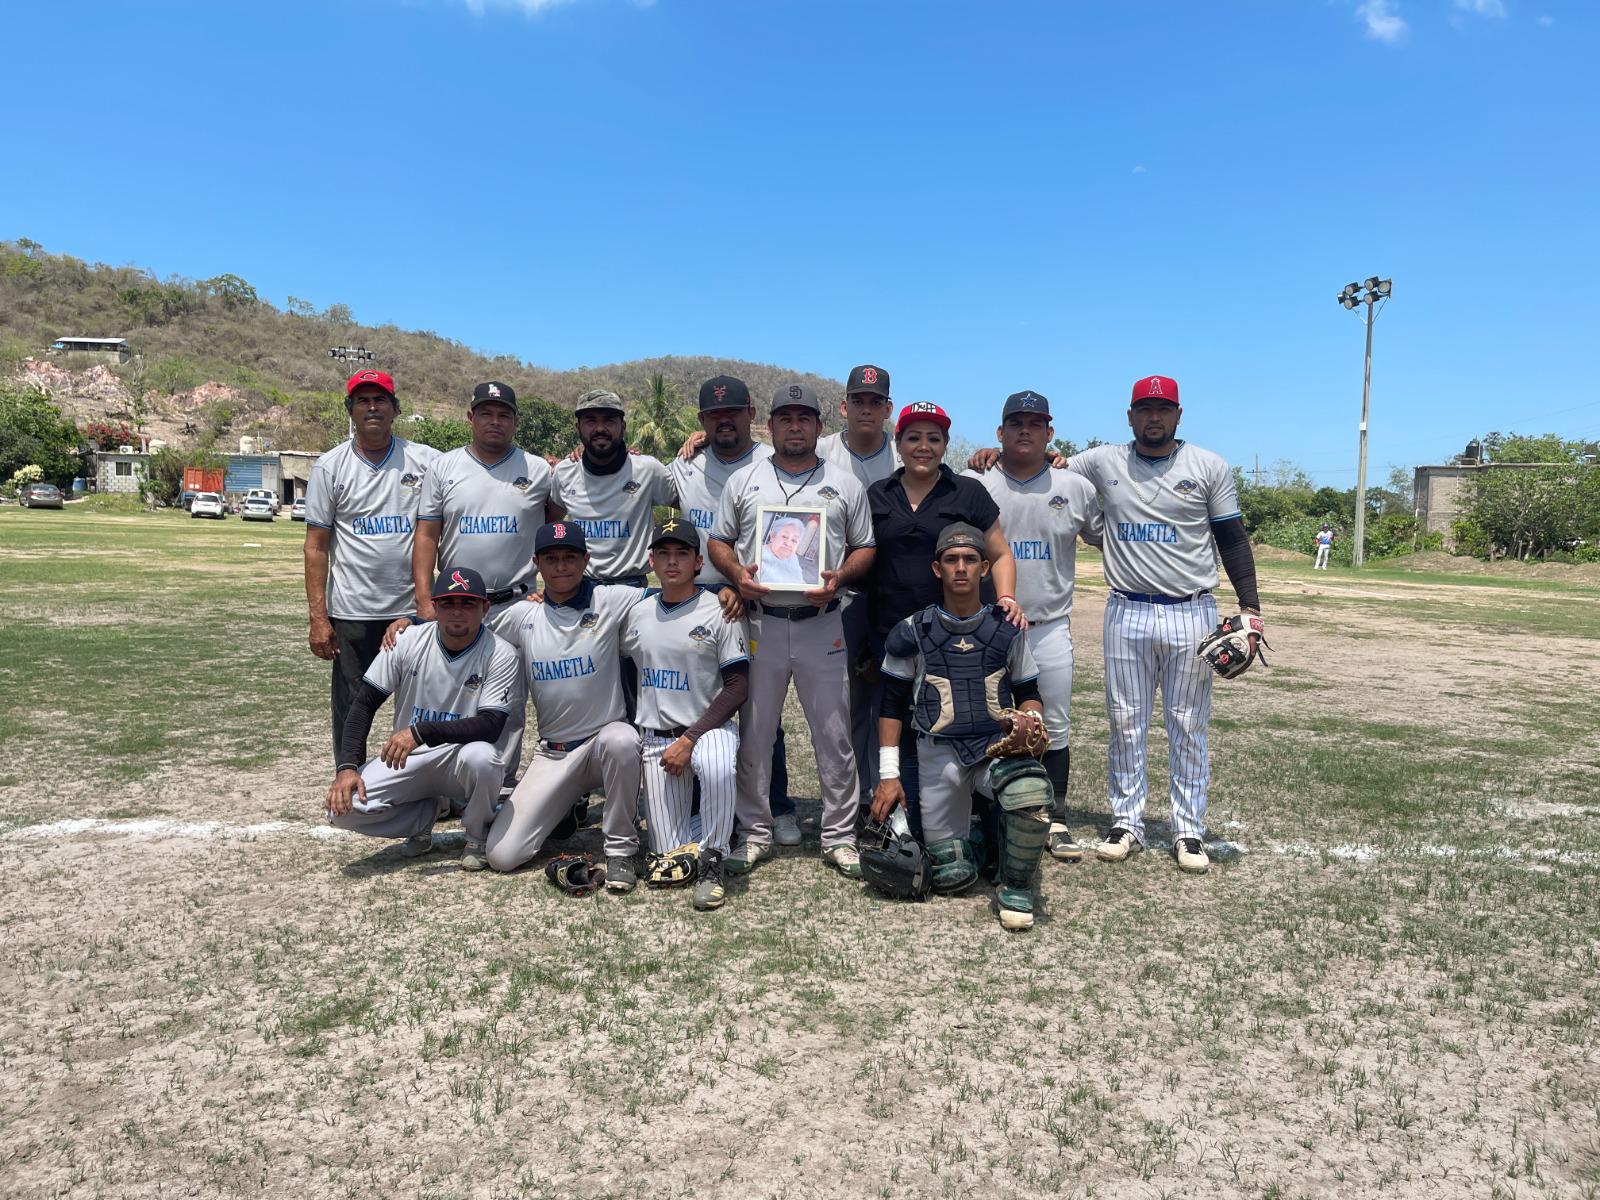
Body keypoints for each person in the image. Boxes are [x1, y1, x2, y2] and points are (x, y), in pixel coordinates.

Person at [1068, 374, 1264, 874]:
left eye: (1164, 409)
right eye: (1144, 409)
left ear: (1179, 415)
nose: (1154, 418)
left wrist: (1250, 607)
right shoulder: (1100, 461)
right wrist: (992, 457)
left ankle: (1188, 829)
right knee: (1125, 720)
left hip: (1191, 609)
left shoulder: (1208, 466)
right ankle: (1126, 821)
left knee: (1187, 725)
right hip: (1126, 608)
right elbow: (1048, 471)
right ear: (1129, 416)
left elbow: (1232, 539)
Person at [709, 382, 876, 878]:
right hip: (760, 623)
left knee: (833, 735)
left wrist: (840, 578)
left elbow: (865, 548)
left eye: (805, 418)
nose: (796, 426)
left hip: (821, 622)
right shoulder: (744, 480)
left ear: (820, 427)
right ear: (771, 425)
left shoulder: (845, 483)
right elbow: (720, 541)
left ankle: (839, 835)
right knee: (755, 734)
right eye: (786, 418)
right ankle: (754, 831)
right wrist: (737, 574)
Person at [870, 523, 1050, 931]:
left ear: (986, 567)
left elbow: (1029, 689)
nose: (961, 568)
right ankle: (979, 839)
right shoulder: (913, 631)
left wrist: (1031, 718)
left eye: (970, 559)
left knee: (1029, 789)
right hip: (938, 751)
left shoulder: (1007, 628)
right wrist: (888, 774)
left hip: (993, 748)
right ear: (937, 569)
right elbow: (892, 704)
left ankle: (1017, 887)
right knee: (952, 876)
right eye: (951, 560)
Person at [865, 401, 1023, 836]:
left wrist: (1006, 597)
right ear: (897, 443)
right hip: (893, 632)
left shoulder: (967, 491)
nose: (923, 446)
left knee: (962, 724)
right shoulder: (877, 494)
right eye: (913, 437)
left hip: (958, 635)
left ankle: (980, 822)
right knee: (900, 720)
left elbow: (1000, 552)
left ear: (945, 445)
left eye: (934, 438)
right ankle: (900, 818)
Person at [963, 390, 1103, 860]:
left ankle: (1054, 818)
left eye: (1035, 423)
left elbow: (1112, 541)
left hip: (1047, 624)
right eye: (1015, 423)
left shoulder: (1075, 487)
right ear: (999, 433)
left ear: (1050, 432)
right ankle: (988, 818)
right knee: (983, 723)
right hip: (984, 625)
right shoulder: (974, 480)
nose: (1025, 430)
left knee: (1052, 724)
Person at [405, 381, 562, 794]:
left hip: (516, 600)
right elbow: (426, 536)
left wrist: (553, 585)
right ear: (470, 418)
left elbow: (559, 534)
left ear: (515, 421)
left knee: (509, 703)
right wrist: (424, 599)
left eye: (504, 414)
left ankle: (501, 785)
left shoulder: (538, 470)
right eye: (486, 413)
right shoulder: (444, 467)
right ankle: (445, 785)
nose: (495, 421)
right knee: (450, 698)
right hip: (459, 606)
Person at [670, 375, 798, 846]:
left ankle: (776, 805)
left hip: (753, 600)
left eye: (733, 412)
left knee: (761, 712)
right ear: (702, 421)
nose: (724, 420)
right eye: (713, 415)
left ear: (751, 416)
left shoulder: (773, 461)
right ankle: (705, 800)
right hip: (697, 599)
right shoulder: (681, 468)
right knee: (700, 702)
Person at [482, 522, 646, 887]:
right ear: (536, 563)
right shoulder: (523, 616)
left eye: (570, 557)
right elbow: (464, 629)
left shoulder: (611, 599)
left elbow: (673, 594)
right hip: (554, 754)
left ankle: (620, 849)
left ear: (586, 559)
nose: (561, 566)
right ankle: (566, 805)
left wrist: (724, 594)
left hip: (603, 744)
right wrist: (408, 621)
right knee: (502, 856)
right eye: (551, 558)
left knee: (622, 739)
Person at [325, 566, 520, 864]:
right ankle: (427, 814)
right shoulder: (406, 640)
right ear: (435, 606)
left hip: (459, 758)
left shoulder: (501, 652)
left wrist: (420, 732)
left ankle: (476, 837)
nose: (457, 612)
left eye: (467, 603)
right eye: (448, 603)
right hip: (409, 758)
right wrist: (348, 767)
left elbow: (491, 725)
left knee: (484, 758)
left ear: (485, 608)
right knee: (341, 810)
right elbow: (364, 704)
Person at [303, 369, 438, 765]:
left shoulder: (425, 460)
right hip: (353, 611)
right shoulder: (330, 466)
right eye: (363, 400)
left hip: (414, 612)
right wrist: (318, 617)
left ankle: (426, 786)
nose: (372, 407)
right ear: (350, 410)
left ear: (396, 409)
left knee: (422, 706)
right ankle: (349, 776)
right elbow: (315, 546)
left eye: (380, 400)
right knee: (352, 706)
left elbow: (473, 472)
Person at [622, 518, 750, 910]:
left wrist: (690, 739)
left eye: (682, 553)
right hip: (658, 737)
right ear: (652, 561)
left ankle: (714, 861)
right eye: (664, 553)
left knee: (715, 766)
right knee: (668, 854)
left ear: (698, 562)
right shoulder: (638, 613)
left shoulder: (720, 610)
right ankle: (729, 822)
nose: (672, 561)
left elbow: (739, 685)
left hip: (707, 729)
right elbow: (628, 669)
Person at [820, 365, 903, 805]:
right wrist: (698, 444)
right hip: (840, 597)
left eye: (875, 401)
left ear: (888, 408)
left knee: (892, 702)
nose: (866, 409)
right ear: (843, 406)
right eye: (858, 400)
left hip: (894, 597)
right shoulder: (818, 451)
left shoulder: (908, 453)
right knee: (847, 707)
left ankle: (888, 794)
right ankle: (850, 801)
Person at [551, 389, 677, 587]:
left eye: (609, 420)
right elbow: (549, 519)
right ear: (578, 428)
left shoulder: (647, 469)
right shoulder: (564, 472)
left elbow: (689, 502)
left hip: (633, 587)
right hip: (581, 587)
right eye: (590, 421)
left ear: (623, 427)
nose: (600, 428)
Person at [759, 516, 813, 585]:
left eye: (794, 540)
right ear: (773, 536)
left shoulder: (793, 557)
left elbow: (800, 580)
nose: (788, 544)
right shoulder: (760, 558)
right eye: (784, 537)